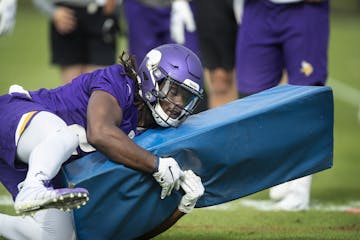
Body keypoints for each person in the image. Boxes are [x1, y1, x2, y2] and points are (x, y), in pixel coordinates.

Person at [0, 44, 205, 239]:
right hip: (17, 121)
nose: (178, 103)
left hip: (45, 161)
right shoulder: (118, 82)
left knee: (60, 235)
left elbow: (116, 232)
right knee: (71, 134)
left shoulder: (153, 133)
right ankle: (33, 187)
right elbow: (99, 133)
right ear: (153, 78)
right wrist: (156, 164)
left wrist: (181, 207)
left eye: (186, 97)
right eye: (174, 90)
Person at [236, 0, 329, 210]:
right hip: (258, 7)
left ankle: (299, 186)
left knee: (306, 95)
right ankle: (282, 168)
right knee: (251, 94)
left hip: (305, 7)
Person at [31, 0, 121, 84]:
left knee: (99, 85)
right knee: (72, 91)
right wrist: (53, 12)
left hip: (102, 13)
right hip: (66, 15)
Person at [193, 0, 242, 108]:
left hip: (235, 12)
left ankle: (233, 119)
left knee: (224, 77)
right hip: (207, 13)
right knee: (219, 78)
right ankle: (223, 121)